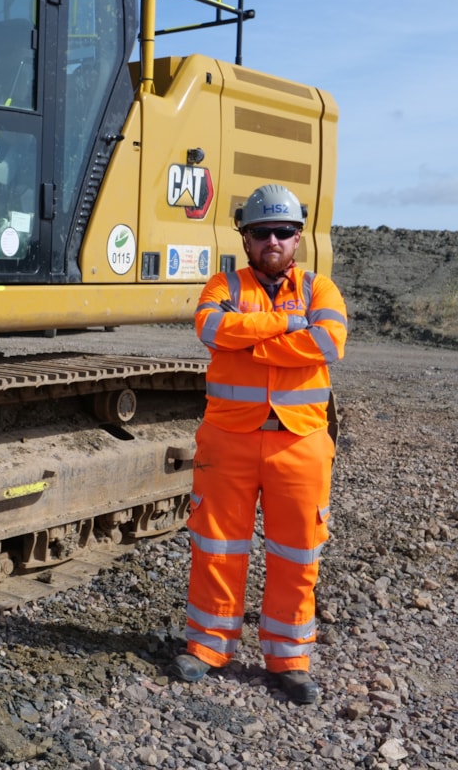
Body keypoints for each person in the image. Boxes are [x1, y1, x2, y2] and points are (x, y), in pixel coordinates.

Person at [169, 183, 348, 705]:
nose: (273, 240)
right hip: (229, 439)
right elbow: (211, 328)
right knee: (217, 547)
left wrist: (250, 339)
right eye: (261, 231)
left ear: (298, 237)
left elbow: (326, 342)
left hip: (302, 443)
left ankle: (289, 659)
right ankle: (207, 647)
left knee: (297, 555)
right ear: (245, 238)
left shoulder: (322, 291)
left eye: (284, 231)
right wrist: (284, 325)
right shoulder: (221, 284)